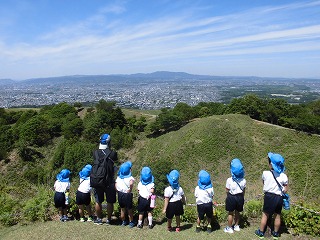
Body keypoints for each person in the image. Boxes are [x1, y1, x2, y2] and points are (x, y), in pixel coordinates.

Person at [255, 152, 288, 240]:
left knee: (265, 215)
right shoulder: (284, 176)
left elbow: (264, 183)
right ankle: (276, 234)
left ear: (271, 164)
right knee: (277, 216)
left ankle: (261, 232)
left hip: (269, 196)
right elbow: (285, 189)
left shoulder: (265, 173)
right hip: (279, 197)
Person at [93, 133, 118, 225]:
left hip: (98, 180)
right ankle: (108, 219)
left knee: (98, 201)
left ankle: (99, 219)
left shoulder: (95, 152)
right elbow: (115, 160)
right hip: (109, 181)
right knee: (109, 202)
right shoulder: (112, 153)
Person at [224, 158, 246, 234]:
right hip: (240, 197)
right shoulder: (243, 180)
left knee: (230, 213)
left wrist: (228, 196)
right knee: (237, 212)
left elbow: (227, 190)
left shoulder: (229, 180)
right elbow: (243, 191)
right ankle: (236, 226)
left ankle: (229, 227)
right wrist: (242, 197)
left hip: (231, 197)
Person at [115, 161, 135, 228]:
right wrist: (130, 189)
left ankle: (123, 221)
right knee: (129, 209)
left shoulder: (118, 178)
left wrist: (118, 191)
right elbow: (131, 183)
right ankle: (131, 222)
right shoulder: (130, 178)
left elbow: (116, 185)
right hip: (127, 194)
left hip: (120, 194)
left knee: (122, 209)